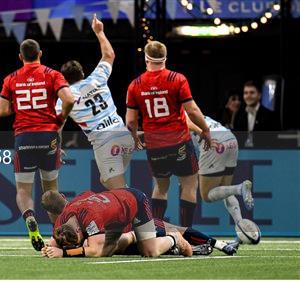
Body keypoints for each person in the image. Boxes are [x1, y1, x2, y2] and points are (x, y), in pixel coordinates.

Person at [0, 39, 75, 251]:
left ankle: (30, 218)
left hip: (24, 138)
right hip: (48, 136)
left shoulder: (11, 78)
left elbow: (1, 111)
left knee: (23, 190)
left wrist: (21, 104)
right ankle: (58, 234)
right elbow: (69, 99)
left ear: (20, 57)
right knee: (51, 191)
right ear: (40, 53)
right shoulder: (51, 74)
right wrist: (59, 119)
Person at [125, 40, 211, 227]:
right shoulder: (177, 79)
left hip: (155, 146)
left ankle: (157, 231)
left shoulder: (135, 85)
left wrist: (134, 137)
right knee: (188, 185)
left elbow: (130, 121)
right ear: (165, 57)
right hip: (180, 142)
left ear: (146, 58)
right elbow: (193, 111)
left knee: (161, 187)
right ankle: (186, 233)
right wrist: (205, 129)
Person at [57, 14, 133, 190]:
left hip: (105, 142)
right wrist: (99, 32)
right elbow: (109, 54)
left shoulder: (66, 97)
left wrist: (57, 147)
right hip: (124, 136)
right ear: (82, 73)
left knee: (121, 192)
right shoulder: (97, 79)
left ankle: (143, 216)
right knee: (106, 181)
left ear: (64, 80)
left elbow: (56, 126)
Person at [41, 190, 240, 257]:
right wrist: (48, 249)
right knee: (110, 244)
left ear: (79, 228)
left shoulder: (90, 218)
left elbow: (94, 251)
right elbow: (53, 243)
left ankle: (174, 240)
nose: (78, 242)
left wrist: (65, 253)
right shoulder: (63, 220)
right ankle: (219, 244)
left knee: (151, 249)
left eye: (78, 237)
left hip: (134, 203)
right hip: (117, 210)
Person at [186, 115, 254, 224]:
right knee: (226, 190)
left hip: (213, 141)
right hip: (230, 138)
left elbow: (186, 122)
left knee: (207, 195)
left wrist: (202, 134)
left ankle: (239, 188)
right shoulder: (194, 111)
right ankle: (241, 226)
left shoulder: (176, 113)